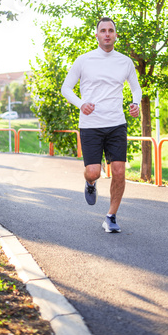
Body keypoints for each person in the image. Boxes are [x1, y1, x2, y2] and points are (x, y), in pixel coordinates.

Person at [61, 17, 142, 233]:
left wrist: (135, 103)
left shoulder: (125, 62)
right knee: (94, 171)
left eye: (111, 30)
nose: (107, 34)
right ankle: (90, 184)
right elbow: (66, 88)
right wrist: (81, 104)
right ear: (96, 35)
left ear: (116, 35)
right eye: (103, 30)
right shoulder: (84, 60)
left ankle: (111, 216)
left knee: (118, 171)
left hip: (116, 123)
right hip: (91, 125)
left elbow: (136, 88)